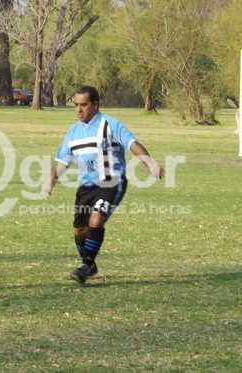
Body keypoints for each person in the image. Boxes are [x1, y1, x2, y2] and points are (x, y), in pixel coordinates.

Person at [44, 85, 163, 284]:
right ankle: (89, 265)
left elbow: (132, 144)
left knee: (96, 218)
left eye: (83, 105)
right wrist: (51, 179)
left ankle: (86, 265)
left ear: (96, 105)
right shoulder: (73, 132)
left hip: (112, 182)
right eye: (76, 105)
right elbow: (62, 161)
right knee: (79, 230)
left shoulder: (110, 124)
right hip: (86, 187)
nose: (78, 109)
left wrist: (149, 163)